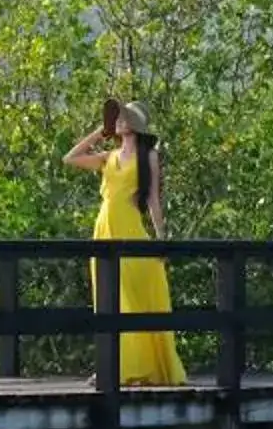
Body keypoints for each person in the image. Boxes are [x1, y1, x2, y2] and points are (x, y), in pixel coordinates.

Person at [65, 98, 187, 386]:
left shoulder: (149, 157)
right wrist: (100, 132)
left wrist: (161, 240)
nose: (119, 120)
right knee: (108, 302)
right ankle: (111, 367)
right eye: (118, 117)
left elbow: (153, 201)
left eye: (124, 117)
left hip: (130, 229)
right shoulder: (108, 156)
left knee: (134, 300)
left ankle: (135, 368)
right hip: (104, 228)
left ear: (136, 126)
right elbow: (69, 158)